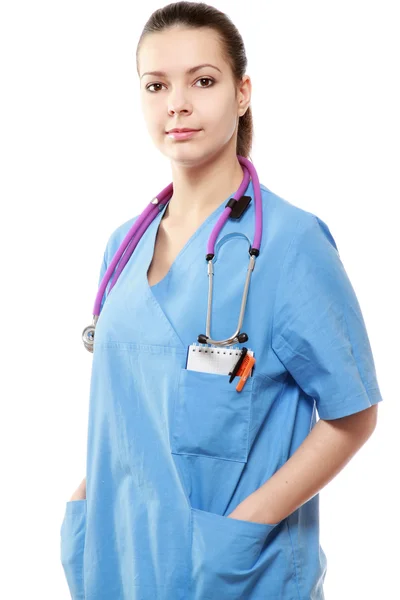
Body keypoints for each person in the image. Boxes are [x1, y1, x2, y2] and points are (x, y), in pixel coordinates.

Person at [60, 2, 383, 599]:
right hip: (118, 558)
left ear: (242, 94)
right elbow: (134, 404)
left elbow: (353, 411)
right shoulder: (121, 248)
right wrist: (87, 495)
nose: (176, 103)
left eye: (202, 81)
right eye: (156, 85)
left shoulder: (289, 244)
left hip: (234, 574)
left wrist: (246, 526)